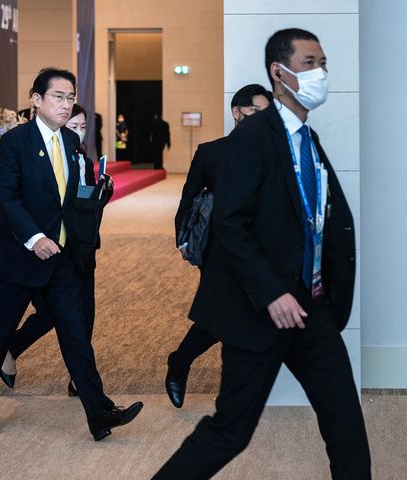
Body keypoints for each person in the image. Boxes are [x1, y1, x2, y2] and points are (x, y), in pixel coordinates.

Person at [153, 28, 371, 479]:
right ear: (280, 71)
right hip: (261, 311)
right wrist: (272, 293)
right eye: (311, 63)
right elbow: (229, 224)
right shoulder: (252, 137)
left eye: (324, 63)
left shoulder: (307, 140)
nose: (322, 73)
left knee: (346, 422)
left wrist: (323, 295)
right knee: (231, 431)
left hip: (312, 310)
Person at [0, 68, 142, 441]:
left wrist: (97, 197)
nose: (66, 105)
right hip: (20, 257)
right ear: (36, 99)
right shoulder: (16, 141)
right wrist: (35, 237)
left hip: (61, 257)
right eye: (58, 97)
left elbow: (69, 201)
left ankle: (99, 413)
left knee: (76, 335)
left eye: (70, 97)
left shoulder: (70, 142)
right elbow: (8, 195)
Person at [165, 83, 272, 409]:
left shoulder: (277, 153)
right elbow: (189, 199)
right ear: (237, 112)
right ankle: (181, 362)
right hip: (221, 249)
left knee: (250, 316)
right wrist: (183, 239)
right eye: (256, 111)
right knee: (224, 314)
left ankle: (181, 361)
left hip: (263, 250)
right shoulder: (212, 152)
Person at [0, 103, 114, 397]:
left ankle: (82, 382)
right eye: (71, 127)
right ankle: (10, 348)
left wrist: (102, 193)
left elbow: (86, 210)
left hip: (81, 248)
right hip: (40, 247)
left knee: (83, 313)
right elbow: (15, 198)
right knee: (50, 313)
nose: (77, 133)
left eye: (82, 127)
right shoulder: (32, 152)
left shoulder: (83, 161)